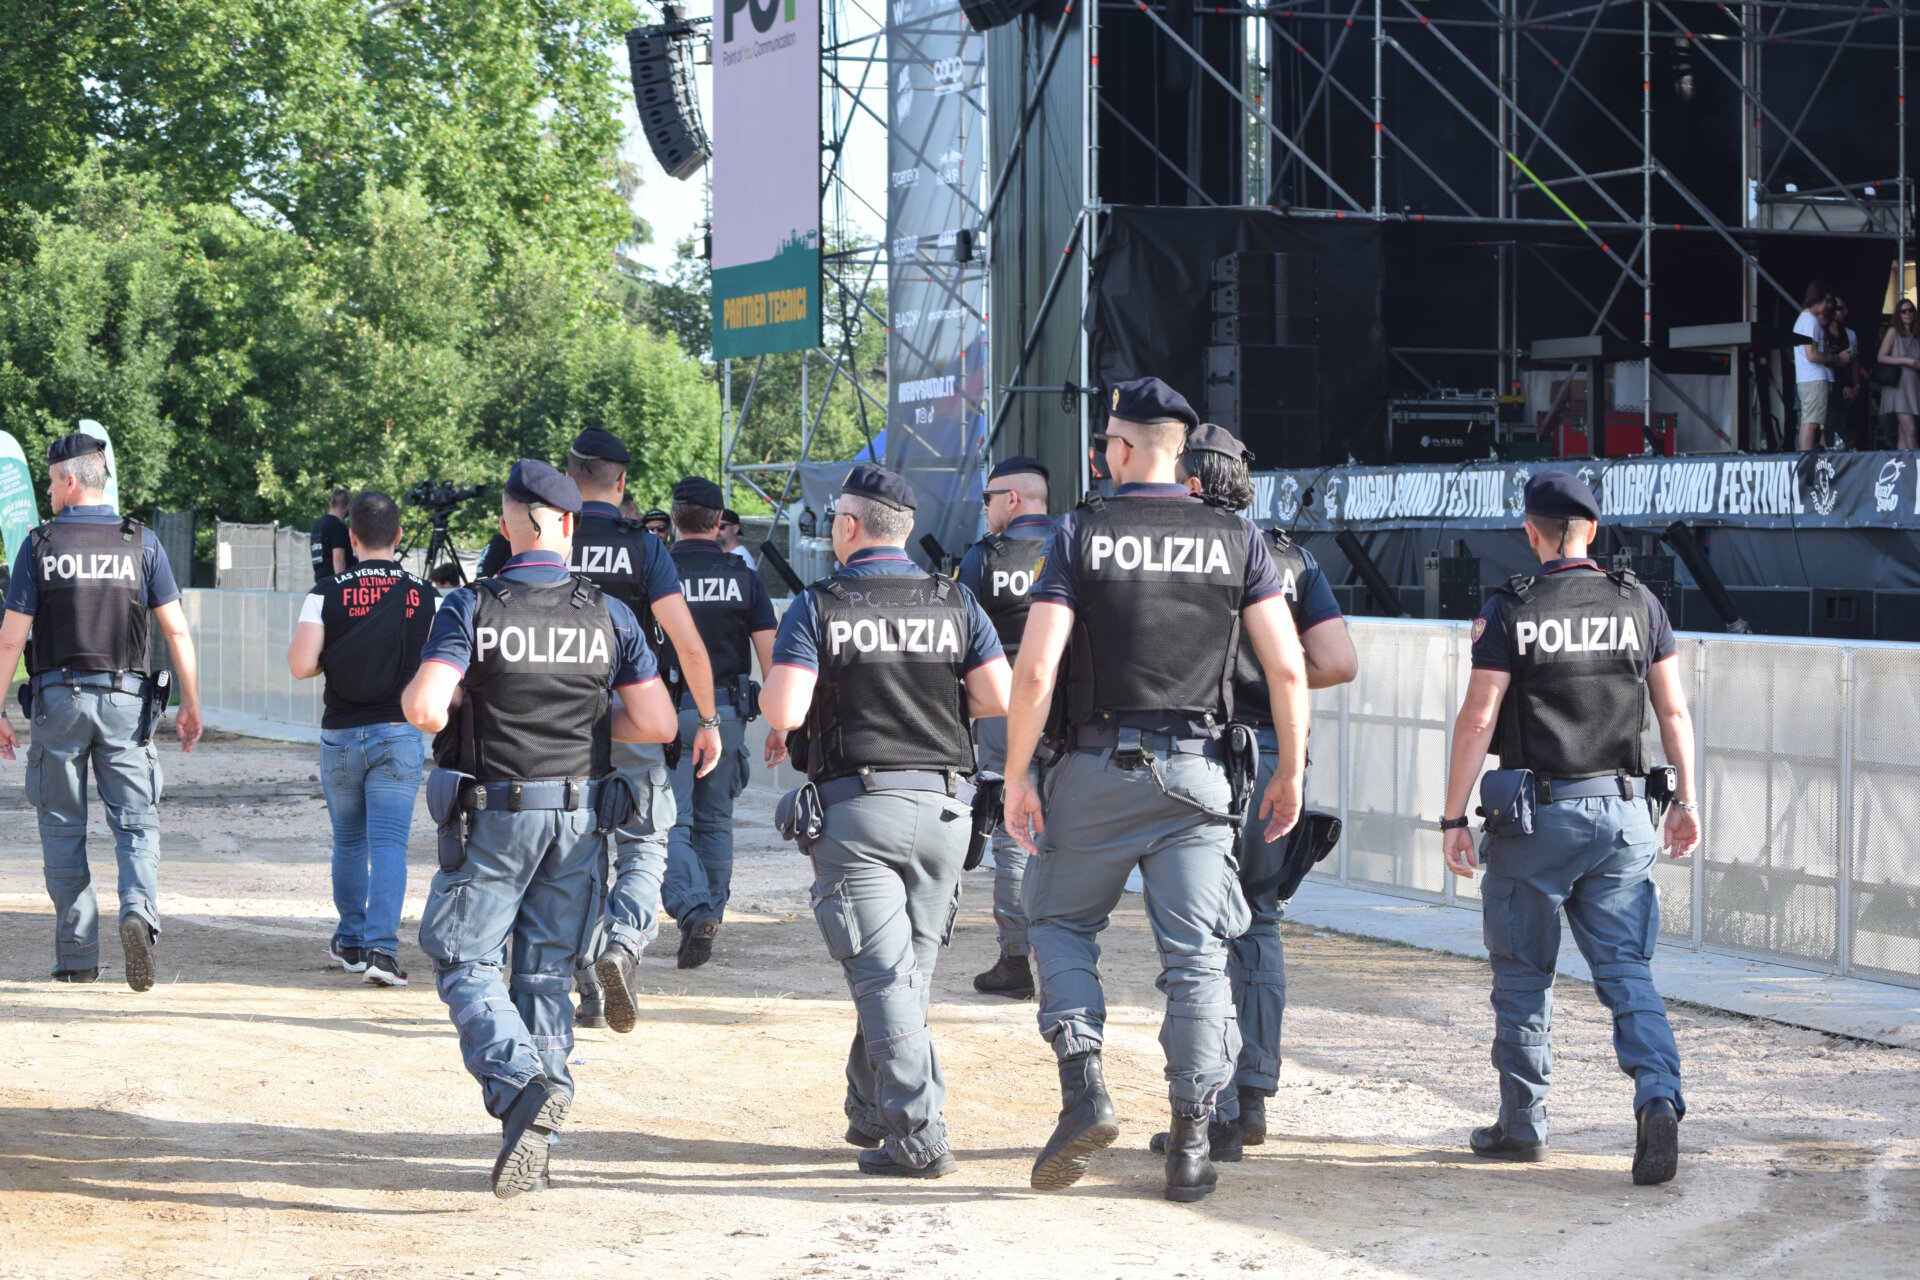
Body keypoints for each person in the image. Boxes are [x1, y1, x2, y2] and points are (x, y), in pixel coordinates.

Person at [1001, 377, 1310, 1204]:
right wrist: (1292, 770)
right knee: (1199, 960)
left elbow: (1034, 671)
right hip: (1202, 781)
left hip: (1096, 769)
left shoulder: (1080, 532)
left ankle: (1084, 1087)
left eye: (1106, 441)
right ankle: (1192, 1143)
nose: (1102, 454)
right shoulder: (1237, 536)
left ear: (1127, 449)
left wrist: (1017, 775)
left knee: (1060, 922)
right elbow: (1286, 665)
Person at [401, 459, 679, 1198]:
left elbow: (427, 709)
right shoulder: (608, 614)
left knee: (464, 960)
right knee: (546, 977)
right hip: (582, 816)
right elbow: (654, 721)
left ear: (509, 526)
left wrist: (460, 697)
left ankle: (521, 1084)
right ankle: (538, 1142)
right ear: (567, 526)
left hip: (498, 815)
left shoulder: (471, 606)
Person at [1439, 470, 1699, 1188]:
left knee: (1523, 975)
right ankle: (1657, 1097)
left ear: (1532, 531)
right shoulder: (1640, 604)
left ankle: (1523, 1126)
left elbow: (1478, 717)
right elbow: (1673, 714)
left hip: (1538, 820)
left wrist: (1454, 815)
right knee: (1626, 972)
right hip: (1623, 819)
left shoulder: (1509, 609)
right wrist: (1687, 799)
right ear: (1594, 530)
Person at [761, 464, 1011, 1179]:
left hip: (859, 812)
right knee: (905, 976)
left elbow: (785, 712)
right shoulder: (954, 597)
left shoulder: (820, 604)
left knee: (882, 976)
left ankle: (919, 1135)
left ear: (848, 526)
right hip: (944, 811)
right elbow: (994, 696)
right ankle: (872, 1107)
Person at [1145, 424, 1357, 1162]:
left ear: (1190, 483)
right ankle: (1254, 1094)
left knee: (1197, 933)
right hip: (1273, 753)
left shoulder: (1170, 552)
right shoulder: (1290, 559)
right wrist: (1272, 671)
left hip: (1197, 757)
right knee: (1259, 922)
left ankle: (1210, 1106)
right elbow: (1337, 660)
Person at [0, 433, 204, 989]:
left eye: (49, 480)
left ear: (69, 480)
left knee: (62, 828)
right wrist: (191, 700)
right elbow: (175, 627)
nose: (46, 490)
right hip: (125, 703)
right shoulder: (141, 542)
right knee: (136, 824)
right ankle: (137, 909)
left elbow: (10, 641)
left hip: (56, 703)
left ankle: (77, 958)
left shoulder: (39, 545)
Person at [557, 430, 722, 1033]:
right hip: (632, 716)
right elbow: (687, 644)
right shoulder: (644, 548)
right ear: (621, 483)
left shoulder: (544, 539)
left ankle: (590, 990)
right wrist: (706, 720)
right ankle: (623, 943)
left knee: (574, 859)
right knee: (645, 843)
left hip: (553, 728)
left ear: (567, 475)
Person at [286, 491, 438, 986]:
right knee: (390, 843)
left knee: (348, 841)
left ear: (351, 538)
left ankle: (350, 940)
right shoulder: (425, 594)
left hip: (341, 735)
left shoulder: (325, 593)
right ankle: (382, 951)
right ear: (397, 536)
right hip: (399, 730)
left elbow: (301, 664)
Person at [657, 477, 782, 967]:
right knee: (715, 823)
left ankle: (693, 911)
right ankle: (709, 913)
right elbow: (771, 656)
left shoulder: (658, 569)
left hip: (666, 711)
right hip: (728, 712)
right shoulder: (743, 576)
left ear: (673, 518)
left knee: (670, 823)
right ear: (718, 522)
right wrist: (780, 723)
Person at [955, 455, 1055, 999]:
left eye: (989, 498)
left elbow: (961, 634)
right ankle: (1061, 952)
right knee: (1067, 833)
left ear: (1011, 499)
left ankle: (1018, 958)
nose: (986, 509)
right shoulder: (1077, 544)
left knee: (1012, 832)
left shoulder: (983, 559)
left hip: (1003, 710)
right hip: (1070, 711)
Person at [1794, 280, 1850, 451]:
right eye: (1826, 301)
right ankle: (1806, 459)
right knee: (1811, 422)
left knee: (1816, 421)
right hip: (1814, 379)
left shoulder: (1806, 320)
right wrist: (1836, 358)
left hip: (1811, 379)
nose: (1828, 306)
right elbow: (1812, 355)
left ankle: (1814, 458)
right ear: (1816, 299)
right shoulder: (1810, 321)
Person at [1878, 298, 1920, 451]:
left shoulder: (1916, 333)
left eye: (1911, 311)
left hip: (1913, 385)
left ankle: (1903, 469)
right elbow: (1881, 357)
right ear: (1898, 314)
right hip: (1898, 387)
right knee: (1911, 430)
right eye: (1904, 311)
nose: (1908, 314)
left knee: (1904, 432)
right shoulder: (1893, 331)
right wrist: (1905, 360)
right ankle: (1915, 467)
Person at [311, 488, 358, 582]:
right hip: (333, 582)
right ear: (348, 505)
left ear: (331, 504)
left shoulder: (317, 526)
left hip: (321, 582)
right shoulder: (337, 527)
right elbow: (338, 558)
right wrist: (341, 585)